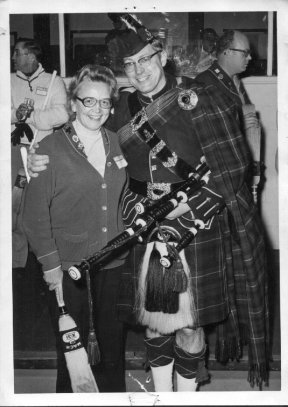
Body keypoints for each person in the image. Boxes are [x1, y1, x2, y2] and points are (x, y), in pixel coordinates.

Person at [28, 14, 269, 392]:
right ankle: (161, 395)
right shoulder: (120, 109)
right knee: (156, 325)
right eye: (129, 65)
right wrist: (39, 154)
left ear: (161, 57)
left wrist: (188, 208)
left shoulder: (201, 96)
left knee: (190, 327)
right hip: (144, 223)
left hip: (197, 222)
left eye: (145, 60)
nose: (139, 71)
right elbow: (84, 131)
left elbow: (232, 167)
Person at [22, 65, 129, 393]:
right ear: (72, 104)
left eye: (105, 102)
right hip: (69, 266)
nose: (97, 110)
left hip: (113, 260)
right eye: (89, 101)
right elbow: (33, 215)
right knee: (73, 348)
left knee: (112, 347)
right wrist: (51, 264)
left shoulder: (117, 141)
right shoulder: (50, 149)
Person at [11, 37, 68, 268]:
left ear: (31, 57)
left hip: (41, 150)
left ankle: (44, 258)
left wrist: (32, 116)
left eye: (18, 52)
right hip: (13, 150)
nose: (13, 57)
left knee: (39, 206)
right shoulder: (7, 81)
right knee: (13, 206)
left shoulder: (53, 82)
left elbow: (61, 115)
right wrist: (16, 115)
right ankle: (16, 261)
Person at [196, 30, 262, 198]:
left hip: (237, 167)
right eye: (245, 53)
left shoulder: (233, 81)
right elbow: (206, 133)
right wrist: (240, 126)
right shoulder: (206, 83)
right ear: (227, 52)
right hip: (220, 175)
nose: (250, 58)